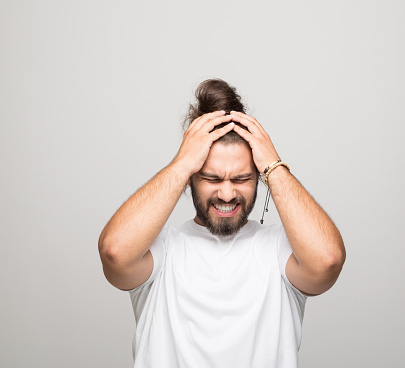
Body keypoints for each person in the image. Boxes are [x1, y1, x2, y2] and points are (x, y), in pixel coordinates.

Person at [98, 79, 346, 368]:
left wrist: (273, 164)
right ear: (190, 178)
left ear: (259, 178)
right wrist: (182, 163)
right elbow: (115, 252)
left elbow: (327, 261)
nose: (227, 194)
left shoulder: (280, 250)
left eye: (241, 179)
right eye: (212, 178)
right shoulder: (161, 251)